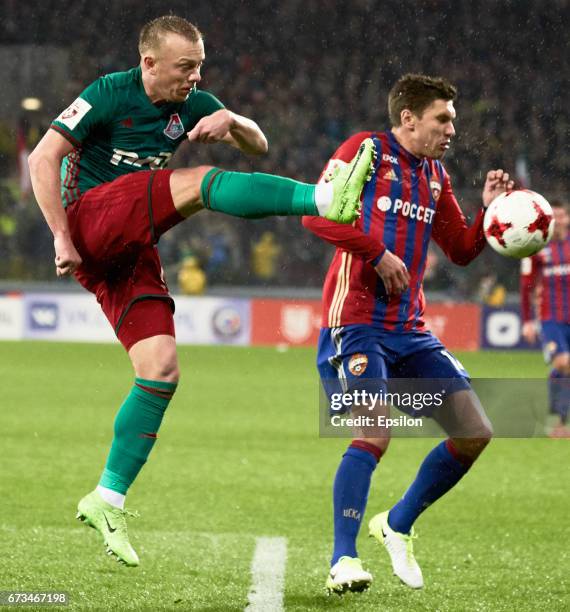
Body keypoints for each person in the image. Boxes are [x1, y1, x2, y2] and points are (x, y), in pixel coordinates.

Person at [28, 14, 375, 567]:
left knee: (161, 369)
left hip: (128, 248)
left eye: (200, 67)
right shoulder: (108, 95)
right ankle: (321, 200)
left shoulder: (193, 101)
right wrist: (60, 236)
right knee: (195, 183)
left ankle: (107, 497)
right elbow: (41, 156)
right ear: (148, 63)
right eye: (184, 67)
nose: (193, 77)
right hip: (89, 219)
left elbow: (258, 146)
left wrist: (232, 119)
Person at [302, 73, 513, 594]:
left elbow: (461, 250)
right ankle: (343, 559)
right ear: (408, 118)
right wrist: (375, 252)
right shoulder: (365, 151)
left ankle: (396, 523)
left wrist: (488, 211)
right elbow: (315, 214)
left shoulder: (435, 176)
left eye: (453, 122)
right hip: (355, 323)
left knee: (474, 432)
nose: (451, 130)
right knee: (375, 430)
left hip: (409, 328)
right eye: (443, 119)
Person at [521, 199, 570, 438]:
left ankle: (560, 423)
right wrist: (528, 320)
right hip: (551, 318)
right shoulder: (538, 247)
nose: (559, 221)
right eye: (555, 217)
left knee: (563, 369)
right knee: (563, 362)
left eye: (562, 216)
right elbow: (526, 285)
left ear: (567, 219)